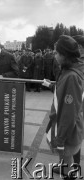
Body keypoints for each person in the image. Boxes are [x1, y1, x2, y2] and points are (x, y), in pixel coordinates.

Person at [44, 35, 84, 179]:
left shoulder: (71, 76)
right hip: (64, 125)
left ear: (65, 55)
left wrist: (60, 138)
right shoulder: (68, 71)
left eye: (56, 53)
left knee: (68, 160)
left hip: (67, 130)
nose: (54, 55)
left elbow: (69, 113)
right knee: (65, 160)